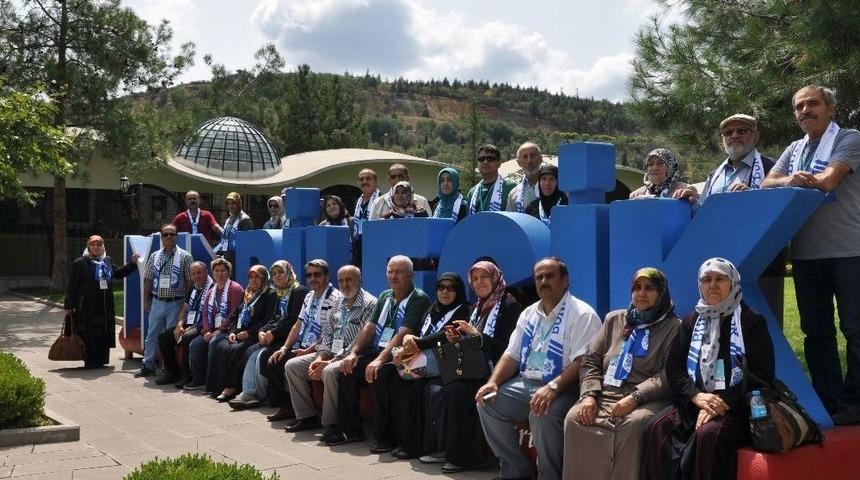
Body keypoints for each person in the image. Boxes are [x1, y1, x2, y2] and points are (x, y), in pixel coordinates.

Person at [761, 85, 860, 423]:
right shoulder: (794, 148)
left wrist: (803, 180)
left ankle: (856, 400)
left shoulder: (849, 139)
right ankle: (829, 401)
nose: (805, 110)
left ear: (830, 108)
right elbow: (766, 184)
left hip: (850, 251)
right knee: (816, 331)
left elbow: (829, 180)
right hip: (805, 255)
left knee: (855, 328)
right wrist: (791, 178)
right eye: (799, 106)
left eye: (812, 104)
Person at [642, 258, 775, 480]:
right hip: (697, 401)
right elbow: (674, 368)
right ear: (700, 285)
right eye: (707, 279)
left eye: (720, 278)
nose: (712, 284)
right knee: (656, 427)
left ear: (732, 283)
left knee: (709, 435)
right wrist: (696, 396)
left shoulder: (750, 321)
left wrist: (721, 403)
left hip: (737, 406)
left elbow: (762, 376)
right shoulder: (692, 320)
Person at [475, 257, 601, 480]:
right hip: (527, 382)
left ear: (565, 280)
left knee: (542, 413)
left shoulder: (582, 313)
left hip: (566, 386)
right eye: (539, 277)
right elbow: (511, 354)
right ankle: (516, 472)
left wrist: (552, 387)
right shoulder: (529, 313)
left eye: (550, 276)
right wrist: (493, 382)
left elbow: (583, 362)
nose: (544, 281)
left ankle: (549, 476)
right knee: (487, 403)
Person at [564, 267, 681, 480]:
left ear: (662, 292)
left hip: (647, 398)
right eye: (637, 288)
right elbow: (591, 359)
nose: (641, 293)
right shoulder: (614, 320)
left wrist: (635, 398)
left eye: (649, 288)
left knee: (633, 425)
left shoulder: (674, 327)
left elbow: (668, 374)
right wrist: (589, 395)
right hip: (605, 393)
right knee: (574, 418)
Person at [411, 263, 521, 472]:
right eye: (475, 278)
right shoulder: (479, 306)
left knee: (455, 392)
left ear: (496, 278)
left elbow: (507, 347)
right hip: (474, 367)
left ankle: (467, 457)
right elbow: (471, 343)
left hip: (499, 371)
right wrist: (458, 337)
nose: (479, 283)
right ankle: (443, 448)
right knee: (436, 386)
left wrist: (475, 335)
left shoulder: (509, 305)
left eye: (484, 277)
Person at [332, 255, 432, 449]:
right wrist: (354, 353)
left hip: (400, 355)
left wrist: (379, 360)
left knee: (379, 373)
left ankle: (385, 438)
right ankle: (351, 430)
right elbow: (369, 327)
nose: (394, 276)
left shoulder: (419, 298)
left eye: (399, 272)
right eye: (390, 271)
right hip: (379, 350)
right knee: (347, 369)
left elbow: (404, 333)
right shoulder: (386, 296)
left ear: (411, 275)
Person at [697, 114, 785, 323]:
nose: (734, 135)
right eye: (728, 132)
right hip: (721, 262)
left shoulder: (773, 168)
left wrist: (754, 198)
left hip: (761, 265)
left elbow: (781, 211)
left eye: (742, 131)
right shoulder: (714, 175)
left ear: (755, 136)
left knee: (763, 326)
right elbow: (702, 213)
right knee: (723, 325)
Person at [384, 273, 472, 461]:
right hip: (423, 360)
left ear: (459, 291)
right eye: (441, 287)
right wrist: (409, 339)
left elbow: (443, 335)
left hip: (446, 365)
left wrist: (415, 344)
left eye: (451, 288)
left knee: (418, 389)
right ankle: (400, 440)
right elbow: (417, 331)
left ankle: (416, 446)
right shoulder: (433, 307)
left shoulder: (464, 310)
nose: (445, 292)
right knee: (395, 382)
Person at [284, 265, 375, 434]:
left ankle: (331, 424)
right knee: (292, 366)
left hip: (354, 355)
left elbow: (361, 342)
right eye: (341, 280)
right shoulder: (339, 302)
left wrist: (330, 362)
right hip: (330, 354)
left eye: (349, 280)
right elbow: (327, 335)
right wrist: (319, 358)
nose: (345, 284)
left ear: (360, 280)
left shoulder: (370, 303)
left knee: (329, 371)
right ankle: (307, 417)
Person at [228, 260, 308, 411]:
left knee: (261, 355)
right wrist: (263, 330)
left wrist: (273, 333)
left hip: (294, 337)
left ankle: (253, 394)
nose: (277, 276)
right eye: (275, 273)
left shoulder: (298, 291)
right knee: (253, 352)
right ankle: (249, 393)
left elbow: (293, 320)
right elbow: (275, 317)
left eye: (281, 272)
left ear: (289, 273)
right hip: (279, 334)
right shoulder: (280, 292)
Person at [281, 260, 344, 430]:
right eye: (309, 275)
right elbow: (298, 324)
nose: (312, 278)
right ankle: (304, 415)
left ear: (327, 276)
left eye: (317, 274)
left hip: (327, 349)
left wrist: (309, 349)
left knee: (291, 364)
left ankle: (320, 420)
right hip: (308, 345)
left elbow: (329, 333)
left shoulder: (336, 298)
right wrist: (285, 347)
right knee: (282, 357)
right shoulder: (309, 296)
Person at [64, 235, 139, 368]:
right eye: (93, 245)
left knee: (103, 331)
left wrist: (132, 263)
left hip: (104, 305)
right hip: (87, 306)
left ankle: (101, 359)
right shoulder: (80, 263)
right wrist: (69, 305)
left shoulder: (107, 261)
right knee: (89, 332)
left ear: (102, 247)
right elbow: (72, 285)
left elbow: (118, 273)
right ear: (88, 246)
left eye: (99, 245)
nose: (96, 247)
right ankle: (90, 361)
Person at [209, 265, 277, 401]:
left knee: (237, 349)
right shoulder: (247, 293)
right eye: (251, 277)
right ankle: (220, 385)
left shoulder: (270, 294)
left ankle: (232, 387)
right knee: (222, 346)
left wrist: (249, 333)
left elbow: (268, 319)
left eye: (257, 277)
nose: (254, 280)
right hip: (240, 332)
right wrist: (233, 331)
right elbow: (236, 315)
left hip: (254, 334)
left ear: (264, 278)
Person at [136, 224, 194, 378]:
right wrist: (146, 300)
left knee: (170, 338)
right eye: (166, 234)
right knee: (151, 335)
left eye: (172, 234)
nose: (169, 237)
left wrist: (184, 304)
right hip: (157, 301)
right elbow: (148, 278)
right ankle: (148, 365)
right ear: (161, 237)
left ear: (177, 237)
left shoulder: (185, 256)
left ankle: (167, 367)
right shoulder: (155, 256)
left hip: (176, 302)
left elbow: (190, 281)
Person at [186, 257, 244, 390]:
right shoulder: (211, 291)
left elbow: (234, 313)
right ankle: (198, 379)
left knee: (213, 343)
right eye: (217, 270)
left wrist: (219, 330)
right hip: (211, 329)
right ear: (213, 273)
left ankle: (213, 382)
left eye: (223, 270)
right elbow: (205, 314)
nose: (220, 273)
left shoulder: (235, 288)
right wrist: (207, 331)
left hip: (228, 329)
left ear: (228, 272)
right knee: (195, 345)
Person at [155, 261, 212, 387]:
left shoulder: (212, 287)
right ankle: (173, 373)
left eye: (199, 273)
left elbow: (209, 314)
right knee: (164, 337)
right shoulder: (193, 287)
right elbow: (185, 308)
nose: (197, 276)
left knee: (186, 338)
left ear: (206, 272)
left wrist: (193, 327)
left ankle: (188, 375)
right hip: (190, 322)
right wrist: (179, 324)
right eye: (193, 274)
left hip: (203, 324)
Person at [629, 148, 697, 204]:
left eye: (660, 163)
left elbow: (697, 215)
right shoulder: (635, 195)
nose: (654, 167)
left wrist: (693, 202)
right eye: (650, 164)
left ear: (671, 167)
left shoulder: (685, 190)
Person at [466, 144, 517, 213]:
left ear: (499, 163)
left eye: (490, 159)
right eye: (481, 159)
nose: (485, 162)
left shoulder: (511, 187)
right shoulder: (472, 192)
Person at [352, 169, 380, 268]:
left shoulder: (382, 200)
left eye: (368, 179)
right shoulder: (357, 202)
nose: (364, 182)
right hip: (359, 245)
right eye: (361, 179)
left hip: (376, 245)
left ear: (376, 182)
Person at [507, 142, 544, 213]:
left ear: (540, 159)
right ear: (519, 163)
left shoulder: (555, 186)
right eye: (525, 157)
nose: (529, 160)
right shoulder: (514, 194)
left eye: (533, 156)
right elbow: (512, 222)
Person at [214, 192, 254, 256]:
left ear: (238, 203)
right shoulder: (229, 219)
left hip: (238, 256)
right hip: (227, 254)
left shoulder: (244, 219)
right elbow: (225, 239)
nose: (230, 206)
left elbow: (246, 242)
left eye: (233, 203)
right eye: (228, 203)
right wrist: (216, 252)